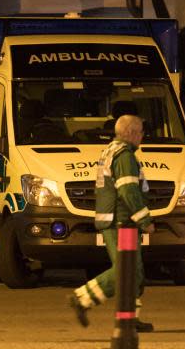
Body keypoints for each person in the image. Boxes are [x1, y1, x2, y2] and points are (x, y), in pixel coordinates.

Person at [69, 114, 155, 332]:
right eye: (141, 132)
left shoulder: (110, 150)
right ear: (131, 133)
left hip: (118, 220)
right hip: (121, 222)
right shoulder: (124, 155)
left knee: (134, 271)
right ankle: (82, 298)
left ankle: (130, 318)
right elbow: (128, 190)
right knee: (125, 270)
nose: (142, 137)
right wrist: (144, 219)